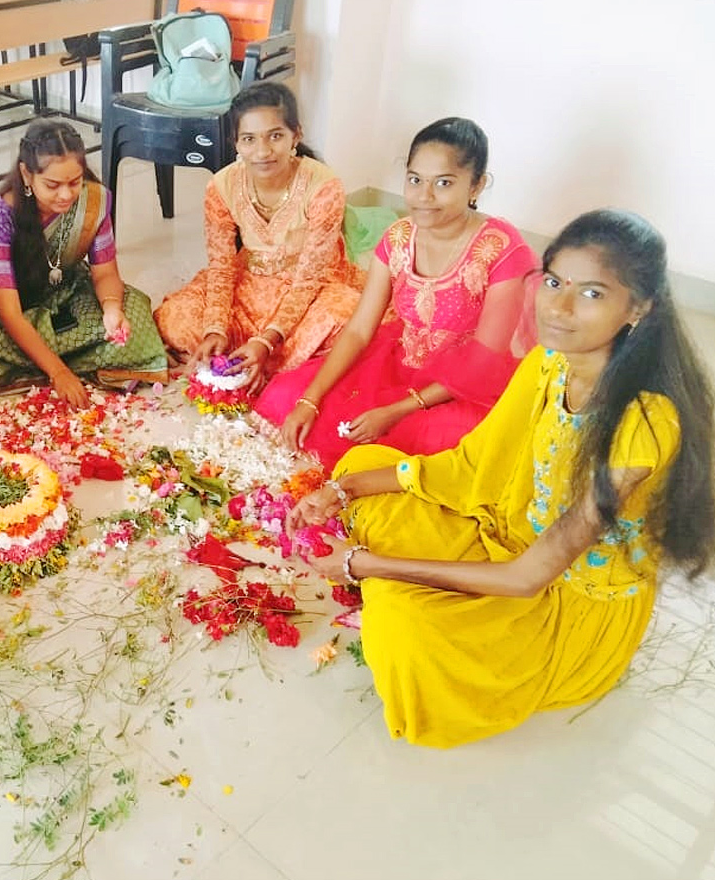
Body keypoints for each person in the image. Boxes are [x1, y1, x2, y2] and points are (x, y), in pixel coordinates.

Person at [287, 210, 714, 748]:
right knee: (359, 463)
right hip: (507, 530)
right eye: (555, 282)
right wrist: (342, 489)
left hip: (565, 599)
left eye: (592, 294)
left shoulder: (644, 422)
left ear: (639, 308)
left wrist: (363, 565)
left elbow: (527, 578)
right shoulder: (547, 364)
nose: (557, 307)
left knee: (399, 617)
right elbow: (472, 467)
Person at [256, 117, 538, 465]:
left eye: (444, 183)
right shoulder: (398, 238)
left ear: (477, 186)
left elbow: (483, 361)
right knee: (289, 396)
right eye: (415, 180)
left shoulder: (503, 251)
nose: (424, 196)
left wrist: (395, 411)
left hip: (464, 387)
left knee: (443, 444)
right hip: (399, 362)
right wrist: (309, 400)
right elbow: (360, 330)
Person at [153, 81, 370, 394]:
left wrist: (267, 339)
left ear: (297, 134)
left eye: (276, 136)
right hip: (249, 282)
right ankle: (250, 359)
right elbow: (222, 266)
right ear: (236, 143)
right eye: (249, 139)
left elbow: (310, 280)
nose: (262, 152)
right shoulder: (221, 185)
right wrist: (215, 329)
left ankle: (260, 360)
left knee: (343, 318)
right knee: (176, 319)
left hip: (310, 286)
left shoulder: (324, 186)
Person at [0, 118, 169, 408]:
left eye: (74, 182)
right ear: (26, 174)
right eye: (53, 185)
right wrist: (58, 373)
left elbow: (105, 272)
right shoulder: (1, 216)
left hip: (68, 294)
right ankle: (58, 360)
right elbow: (9, 313)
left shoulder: (94, 200)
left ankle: (36, 360)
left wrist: (112, 310)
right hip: (12, 307)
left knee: (133, 309)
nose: (66, 194)